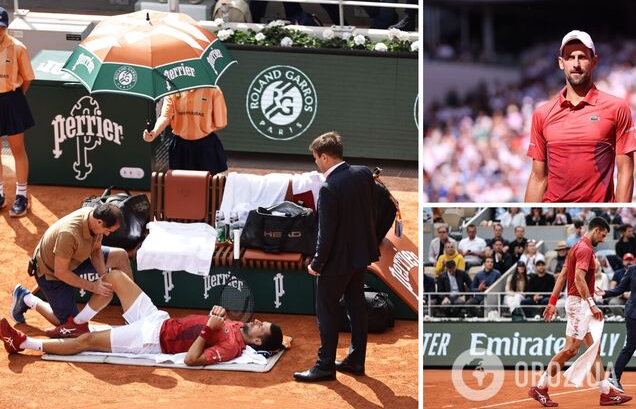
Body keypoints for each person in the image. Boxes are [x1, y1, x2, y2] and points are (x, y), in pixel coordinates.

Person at [1, 270, 283, 364]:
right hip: (158, 318)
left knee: (86, 340)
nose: (258, 321)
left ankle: (24, 344)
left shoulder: (232, 347)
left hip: (151, 339)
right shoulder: (238, 326)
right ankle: (69, 320)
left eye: (261, 326)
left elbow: (191, 359)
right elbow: (282, 342)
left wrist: (208, 329)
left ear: (258, 339)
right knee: (115, 276)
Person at [294, 132, 379, 382]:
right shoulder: (363, 173)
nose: (316, 164)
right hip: (360, 256)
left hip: (337, 262)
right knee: (356, 306)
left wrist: (317, 263)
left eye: (316, 159)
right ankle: (355, 360)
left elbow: (326, 233)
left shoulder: (329, 189)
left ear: (324, 156)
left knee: (327, 311)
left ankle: (325, 366)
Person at [525, 30, 636, 202]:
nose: (576, 64)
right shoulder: (542, 114)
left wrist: (618, 212)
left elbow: (626, 171)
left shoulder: (617, 108)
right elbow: (538, 178)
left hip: (599, 212)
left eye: (582, 57)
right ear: (561, 63)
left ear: (594, 62)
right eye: (570, 57)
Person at [532, 217, 631, 407]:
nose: (603, 239)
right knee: (571, 350)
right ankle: (540, 386)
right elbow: (578, 278)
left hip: (577, 302)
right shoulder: (585, 249)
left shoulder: (577, 247)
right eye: (603, 235)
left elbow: (562, 276)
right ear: (596, 230)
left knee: (593, 349)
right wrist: (592, 304)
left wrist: (553, 301)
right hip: (579, 304)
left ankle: (605, 392)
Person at [8, 204, 133, 338]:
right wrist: (93, 286)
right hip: (51, 273)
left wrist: (103, 276)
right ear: (99, 222)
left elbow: (96, 250)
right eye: (108, 230)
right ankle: (27, 298)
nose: (108, 233)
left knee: (121, 256)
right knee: (70, 325)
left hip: (78, 258)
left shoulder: (95, 219)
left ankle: (132, 311)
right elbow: (61, 272)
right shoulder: (68, 234)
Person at [143, 87, 228, 175]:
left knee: (206, 185)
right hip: (180, 148)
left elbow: (220, 123)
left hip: (205, 147)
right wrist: (154, 132)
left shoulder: (213, 89)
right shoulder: (172, 90)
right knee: (182, 184)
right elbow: (165, 116)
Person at [0, 7, 35, 217]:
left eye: (1, 27)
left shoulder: (18, 48)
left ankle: (21, 195)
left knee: (17, 150)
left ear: (6, 27)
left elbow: (27, 78)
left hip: (12, 99)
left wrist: (13, 99)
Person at [597, 265, 636, 392]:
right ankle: (614, 378)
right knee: (630, 346)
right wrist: (606, 293)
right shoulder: (632, 269)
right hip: (633, 314)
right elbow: (621, 288)